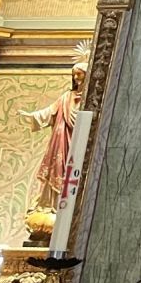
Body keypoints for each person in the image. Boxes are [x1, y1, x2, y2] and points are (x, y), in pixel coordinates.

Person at [20, 54, 87, 209]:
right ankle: (53, 204)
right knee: (58, 168)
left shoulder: (90, 98)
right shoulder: (66, 97)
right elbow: (50, 112)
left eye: (79, 74)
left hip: (80, 140)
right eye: (74, 75)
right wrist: (31, 115)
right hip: (62, 140)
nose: (76, 78)